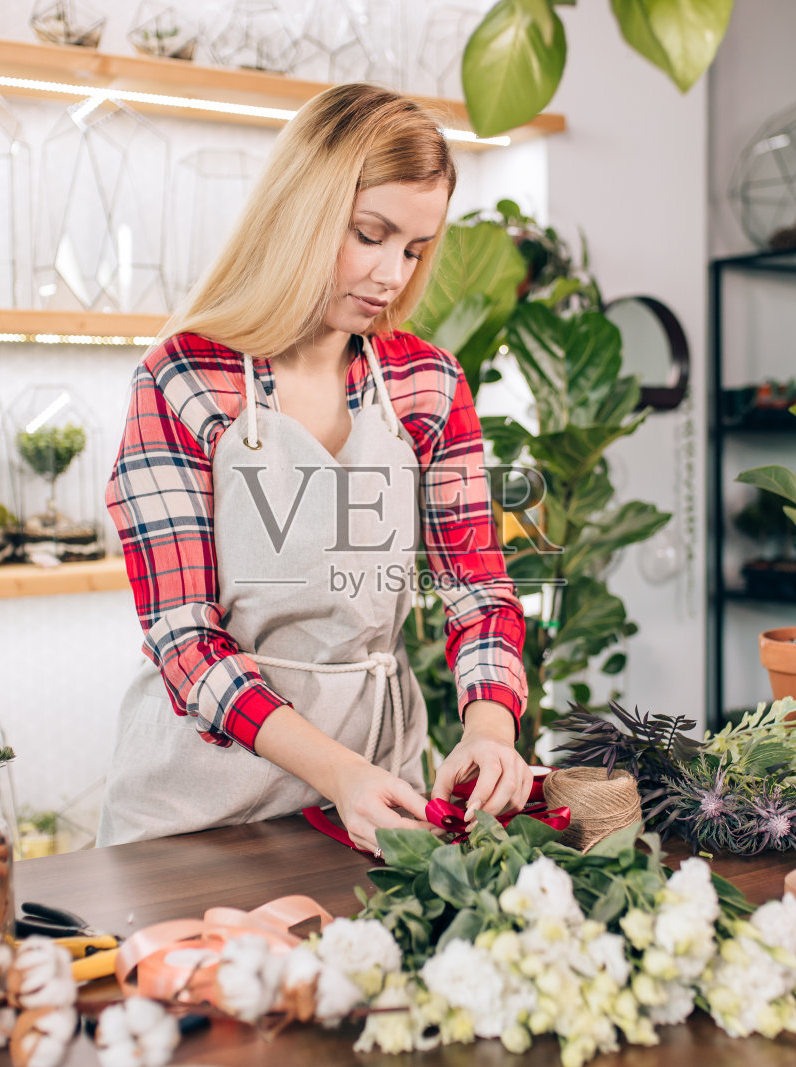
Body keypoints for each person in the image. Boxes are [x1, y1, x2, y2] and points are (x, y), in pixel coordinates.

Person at [99, 83, 529, 855]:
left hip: (376, 800)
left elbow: (479, 591)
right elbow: (186, 640)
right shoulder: (185, 381)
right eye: (371, 234)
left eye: (415, 249)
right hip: (195, 811)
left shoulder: (427, 385)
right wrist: (339, 773)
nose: (393, 275)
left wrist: (490, 729)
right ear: (304, 209)